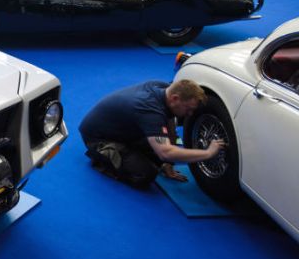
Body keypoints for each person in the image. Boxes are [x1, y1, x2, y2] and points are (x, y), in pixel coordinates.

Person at [79, 79, 225, 188]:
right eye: (189, 109)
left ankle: (128, 150)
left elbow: (169, 121)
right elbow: (165, 152)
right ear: (175, 99)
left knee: (160, 158)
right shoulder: (150, 110)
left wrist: (168, 163)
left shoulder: (163, 88)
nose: (190, 114)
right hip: (97, 138)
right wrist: (207, 154)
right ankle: (101, 157)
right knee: (145, 174)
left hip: (120, 128)